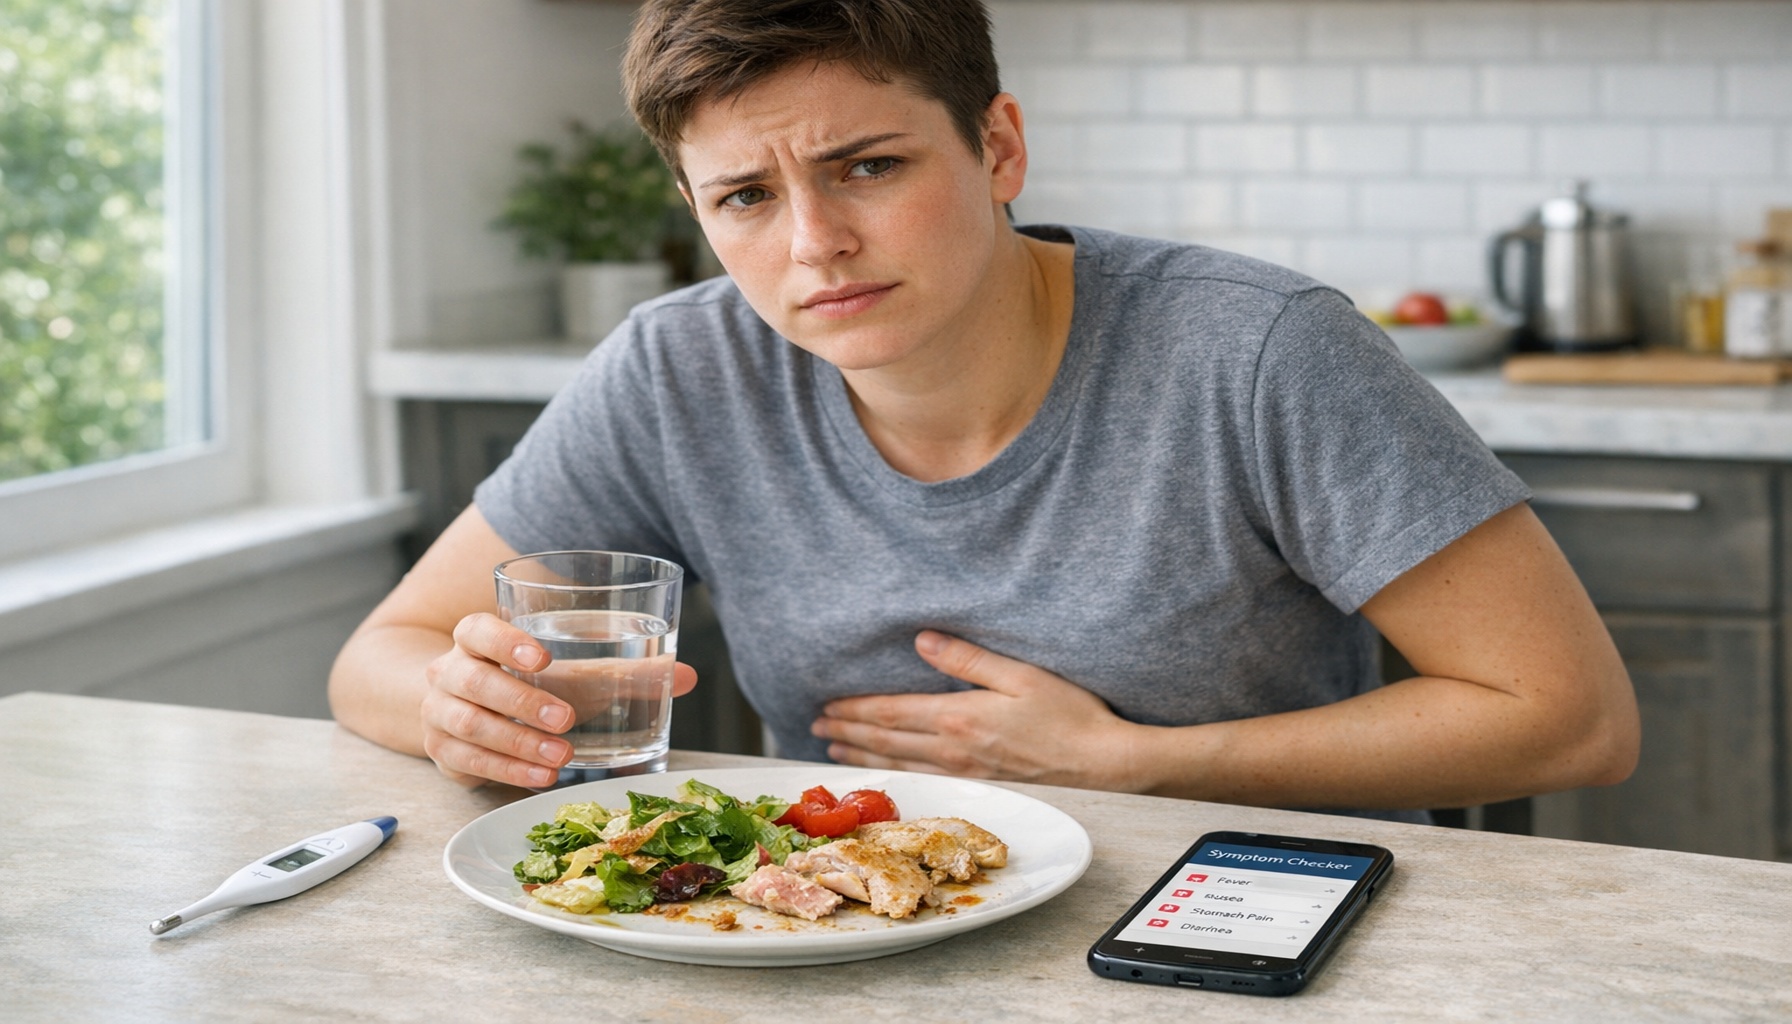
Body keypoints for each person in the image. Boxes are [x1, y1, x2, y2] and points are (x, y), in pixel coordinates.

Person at [329, 0, 1638, 819]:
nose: (815, 244)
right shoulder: (677, 370)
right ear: (698, 213)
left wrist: (1129, 762)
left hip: (1233, 911)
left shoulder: (1260, 353)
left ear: (998, 146)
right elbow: (379, 657)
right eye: (747, 198)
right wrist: (457, 704)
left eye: (869, 167)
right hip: (844, 926)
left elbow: (1570, 718)